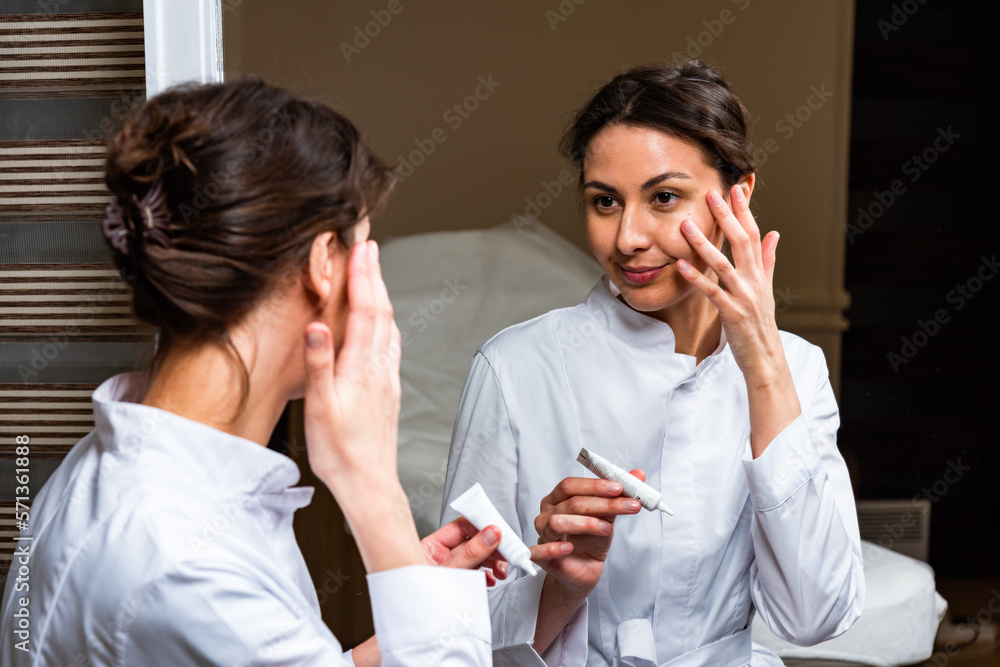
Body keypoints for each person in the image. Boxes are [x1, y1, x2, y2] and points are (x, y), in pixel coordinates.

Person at [0, 78, 569, 666]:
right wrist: (373, 487)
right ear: (324, 264)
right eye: (363, 247)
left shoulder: (114, 469)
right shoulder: (185, 565)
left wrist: (413, 598)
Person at [440, 60, 865, 666]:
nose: (628, 238)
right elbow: (450, 639)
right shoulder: (514, 368)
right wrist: (561, 588)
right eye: (605, 201)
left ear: (738, 197)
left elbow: (815, 616)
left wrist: (765, 368)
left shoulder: (795, 368)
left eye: (664, 197)